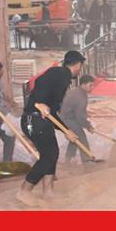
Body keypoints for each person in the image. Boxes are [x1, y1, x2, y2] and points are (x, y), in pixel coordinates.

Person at [17, 50, 85, 206]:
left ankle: (48, 190)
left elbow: (52, 113)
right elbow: (40, 84)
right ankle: (25, 190)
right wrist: (39, 102)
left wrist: (66, 130)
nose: (80, 69)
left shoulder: (61, 78)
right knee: (49, 155)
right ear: (77, 65)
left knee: (52, 152)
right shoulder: (61, 73)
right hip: (34, 119)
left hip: (40, 119)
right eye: (81, 65)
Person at [60, 75, 95, 164]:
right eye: (90, 85)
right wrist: (88, 126)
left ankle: (67, 160)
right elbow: (80, 115)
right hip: (69, 120)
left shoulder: (75, 91)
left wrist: (86, 124)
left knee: (74, 138)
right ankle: (87, 160)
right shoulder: (80, 96)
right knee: (81, 138)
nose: (92, 87)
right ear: (83, 84)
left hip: (64, 118)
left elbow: (79, 113)